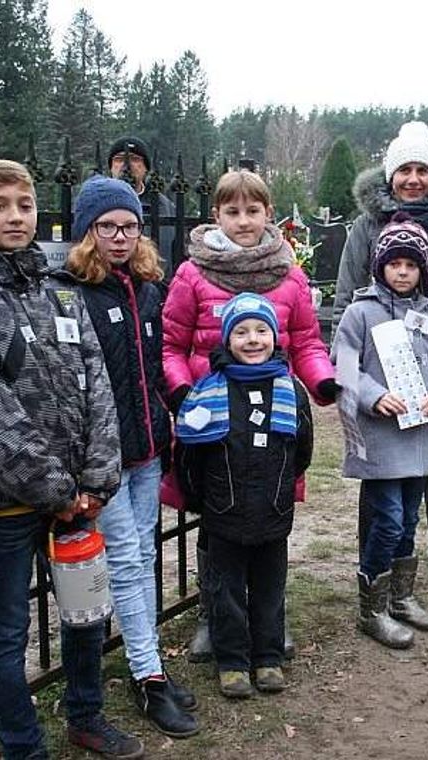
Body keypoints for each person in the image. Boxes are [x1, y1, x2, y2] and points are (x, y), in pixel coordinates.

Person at [0, 160, 141, 759]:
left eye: (24, 203)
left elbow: (98, 383)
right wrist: (55, 488)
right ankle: (22, 746)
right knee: (7, 629)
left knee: (84, 613)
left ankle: (86, 716)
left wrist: (95, 478)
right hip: (6, 504)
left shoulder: (57, 291)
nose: (16, 215)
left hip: (79, 496)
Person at [162, 168, 337, 662]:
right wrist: (182, 395)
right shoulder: (193, 274)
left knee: (266, 520)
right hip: (212, 421)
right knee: (214, 523)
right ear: (216, 215)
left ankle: (266, 623)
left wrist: (320, 379)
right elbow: (172, 344)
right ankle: (212, 618)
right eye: (232, 211)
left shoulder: (289, 274)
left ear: (268, 214)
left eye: (253, 211)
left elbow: (303, 339)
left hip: (269, 418)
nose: (243, 221)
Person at [62, 176, 198, 737]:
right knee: (123, 560)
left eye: (129, 226)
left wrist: (174, 417)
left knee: (143, 556)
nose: (120, 237)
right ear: (87, 232)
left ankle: (149, 662)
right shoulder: (73, 292)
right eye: (108, 227)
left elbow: (155, 362)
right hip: (105, 457)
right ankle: (148, 676)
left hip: (147, 449)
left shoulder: (145, 289)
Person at [333, 120, 428, 586]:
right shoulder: (366, 226)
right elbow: (345, 299)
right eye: (405, 171)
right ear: (390, 176)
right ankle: (373, 565)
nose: (414, 179)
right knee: (381, 477)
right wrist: (356, 377)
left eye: (423, 170)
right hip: (381, 373)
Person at [331, 213, 428, 649]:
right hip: (381, 435)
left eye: (411, 264)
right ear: (380, 266)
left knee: (409, 517)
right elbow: (345, 365)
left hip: (421, 431)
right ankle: (372, 607)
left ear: (423, 268)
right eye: (394, 264)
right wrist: (372, 396)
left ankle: (401, 597)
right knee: (386, 519)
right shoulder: (360, 312)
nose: (403, 272)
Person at [175, 293, 313, 697]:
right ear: (226, 339)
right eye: (241, 332)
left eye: (261, 331)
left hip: (272, 511)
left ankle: (268, 656)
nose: (252, 340)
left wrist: (282, 486)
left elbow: (301, 448)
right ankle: (232, 660)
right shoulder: (209, 390)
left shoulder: (291, 390)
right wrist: (205, 499)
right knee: (226, 589)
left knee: (270, 588)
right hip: (224, 512)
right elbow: (190, 454)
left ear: (274, 336)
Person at [107, 136, 177, 271]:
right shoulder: (95, 203)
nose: (126, 165)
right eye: (119, 159)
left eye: (135, 159)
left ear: (146, 168)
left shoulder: (166, 207)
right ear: (111, 167)